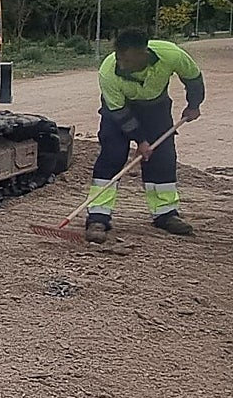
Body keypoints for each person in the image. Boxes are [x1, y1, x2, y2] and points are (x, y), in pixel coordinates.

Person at [83, 29, 203, 242]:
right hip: (118, 113)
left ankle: (165, 214)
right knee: (112, 155)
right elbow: (119, 112)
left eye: (127, 59)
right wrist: (141, 141)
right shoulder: (108, 72)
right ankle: (98, 216)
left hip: (155, 109)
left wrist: (194, 105)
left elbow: (193, 78)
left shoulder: (171, 54)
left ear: (143, 53)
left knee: (163, 158)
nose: (121, 64)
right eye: (119, 58)